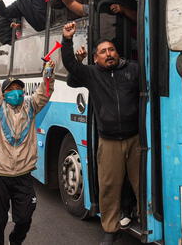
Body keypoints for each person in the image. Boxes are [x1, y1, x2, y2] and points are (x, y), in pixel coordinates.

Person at [0, 41, 54, 245]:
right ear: (4, 93)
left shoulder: (31, 107)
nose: (16, 92)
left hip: (23, 176)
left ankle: (16, 240)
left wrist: (49, 71)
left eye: (19, 89)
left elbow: (45, 91)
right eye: (12, 89)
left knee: (24, 218)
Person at [60, 22, 140, 245]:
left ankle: (146, 221)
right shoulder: (92, 74)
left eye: (111, 50)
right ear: (96, 58)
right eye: (103, 52)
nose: (109, 54)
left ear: (117, 53)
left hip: (136, 140)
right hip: (109, 142)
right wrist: (67, 41)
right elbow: (71, 68)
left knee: (141, 183)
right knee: (109, 188)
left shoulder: (133, 69)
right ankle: (111, 229)